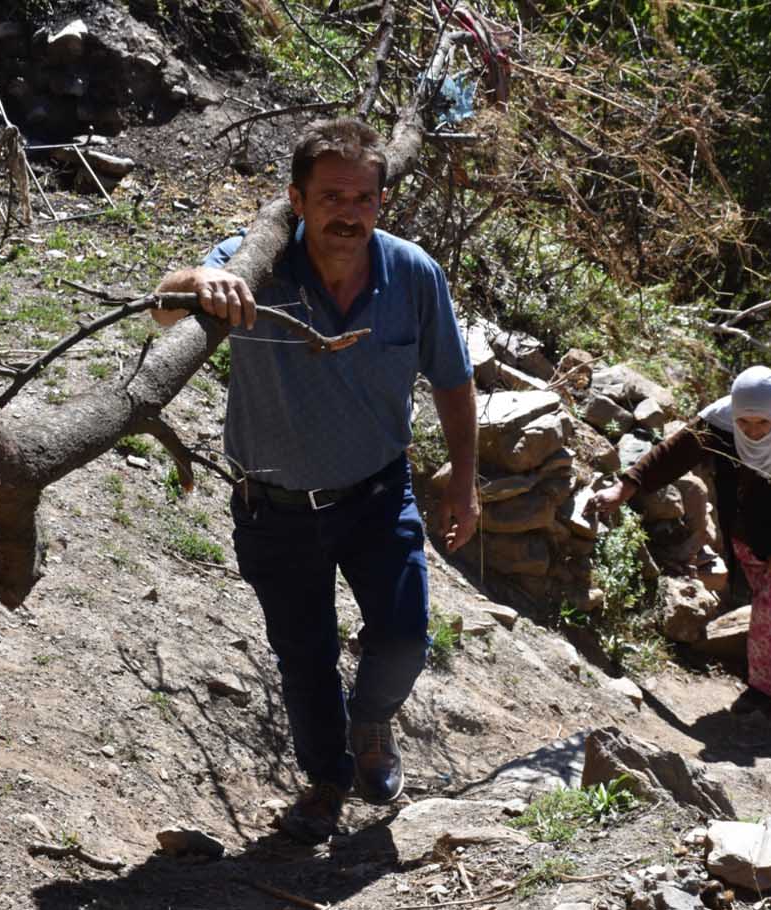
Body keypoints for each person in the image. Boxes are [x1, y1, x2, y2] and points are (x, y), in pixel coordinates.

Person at [151, 118, 479, 843]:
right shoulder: (255, 268)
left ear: (380, 203)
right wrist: (194, 280)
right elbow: (159, 309)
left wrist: (463, 478)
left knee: (403, 638)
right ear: (297, 200)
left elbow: (454, 381)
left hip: (376, 493)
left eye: (363, 198)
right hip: (275, 505)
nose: (348, 212)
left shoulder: (413, 275)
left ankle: (371, 723)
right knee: (304, 657)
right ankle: (326, 781)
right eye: (331, 196)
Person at [590, 365, 771, 716]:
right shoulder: (722, 423)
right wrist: (623, 488)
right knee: (769, 620)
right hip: (761, 532)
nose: (753, 432)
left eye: (763, 423)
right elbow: (672, 455)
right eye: (745, 422)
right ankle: (765, 690)